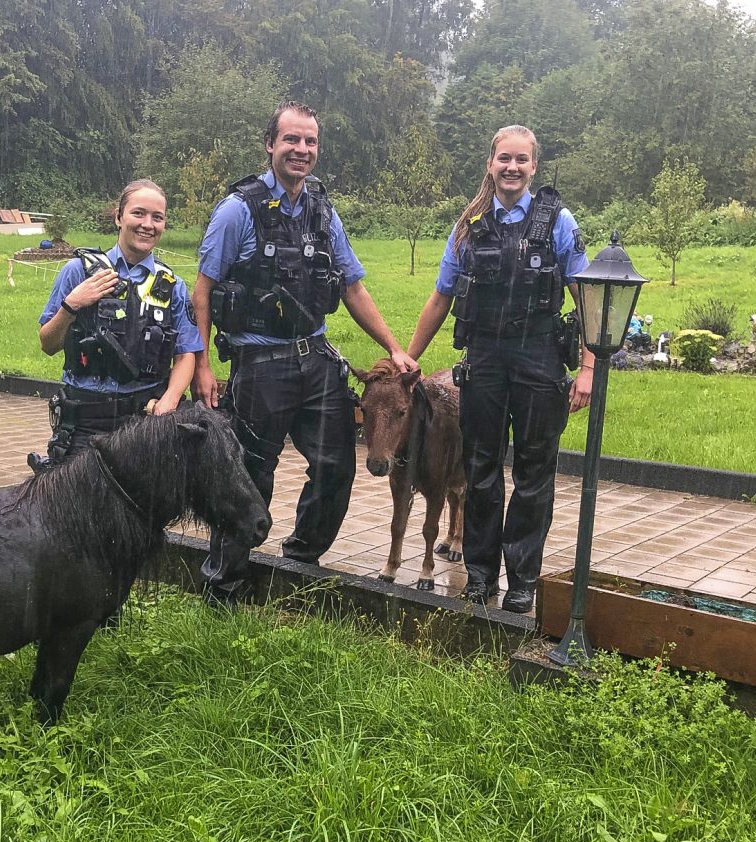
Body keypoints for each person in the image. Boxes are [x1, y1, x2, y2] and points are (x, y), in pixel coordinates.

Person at [192, 100, 417, 601]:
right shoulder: (239, 210)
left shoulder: (321, 211)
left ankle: (298, 562)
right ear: (270, 144)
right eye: (291, 139)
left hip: (315, 358)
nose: (301, 149)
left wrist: (393, 348)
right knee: (251, 474)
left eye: (310, 141)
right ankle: (224, 585)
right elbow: (202, 292)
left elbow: (354, 287)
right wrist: (202, 366)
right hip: (259, 365)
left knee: (336, 465)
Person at [406, 125, 592, 614]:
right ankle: (480, 574)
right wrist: (410, 357)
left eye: (521, 160)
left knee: (534, 474)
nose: (512, 168)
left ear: (534, 167)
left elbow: (586, 297)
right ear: (490, 164)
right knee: (481, 470)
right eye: (503, 159)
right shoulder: (469, 224)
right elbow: (441, 296)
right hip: (484, 360)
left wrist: (589, 368)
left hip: (539, 359)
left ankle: (523, 580)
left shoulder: (558, 222)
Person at [34, 180, 202, 467]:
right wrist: (72, 305)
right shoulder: (78, 272)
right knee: (77, 510)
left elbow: (186, 353)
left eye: (157, 217)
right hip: (85, 422)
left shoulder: (172, 286)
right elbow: (48, 344)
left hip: (144, 420)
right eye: (138, 213)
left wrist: (170, 401)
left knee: (145, 511)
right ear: (118, 217)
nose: (147, 224)